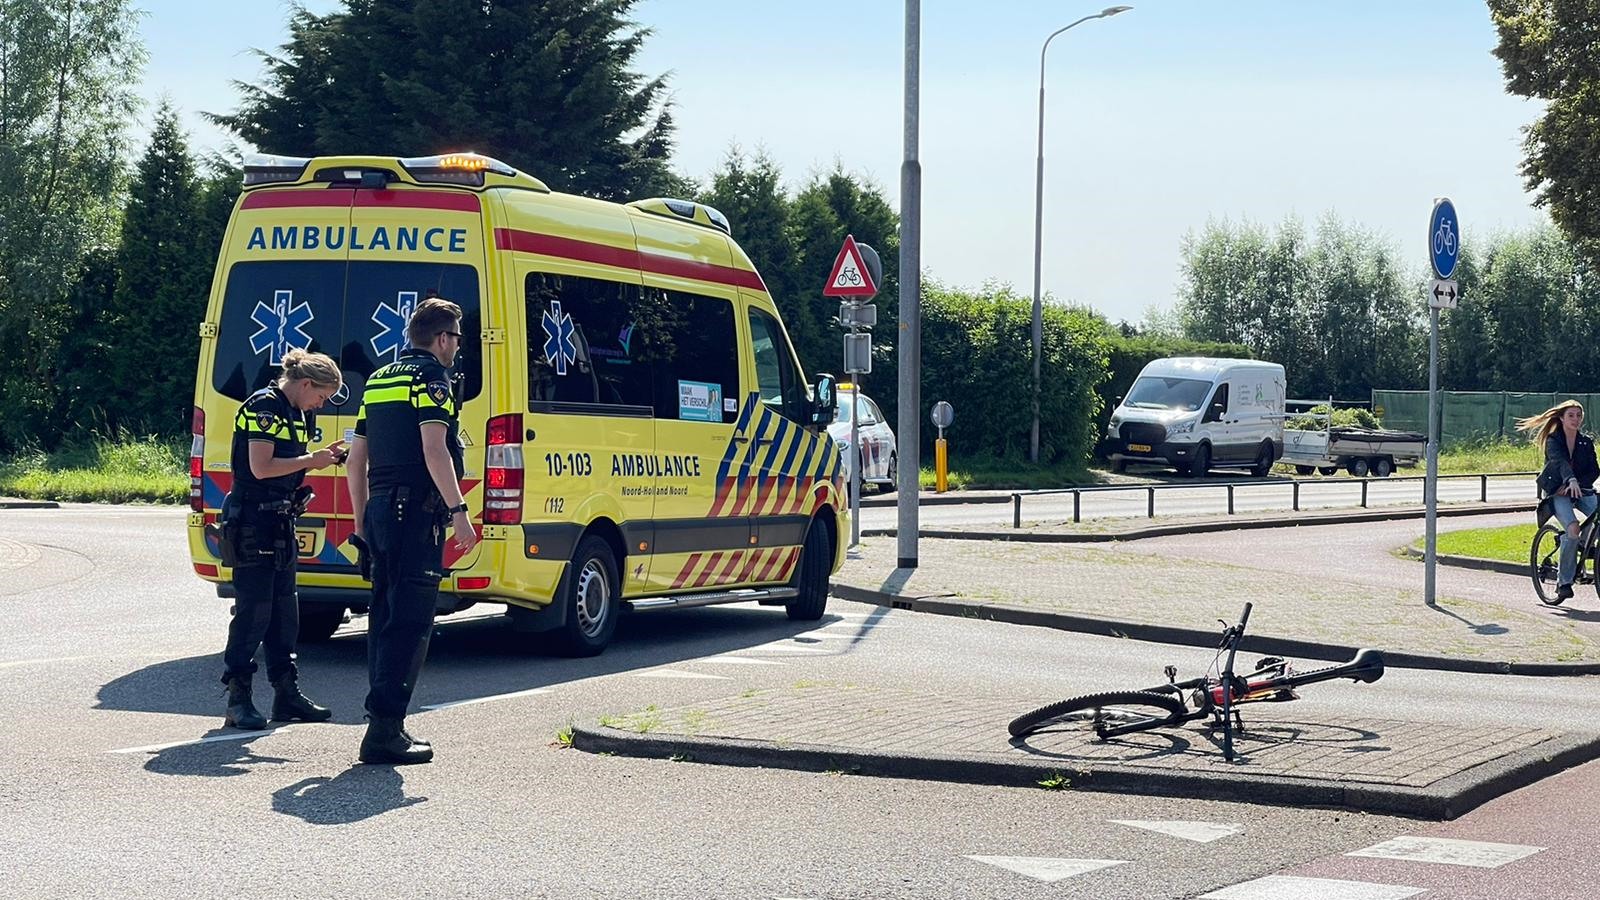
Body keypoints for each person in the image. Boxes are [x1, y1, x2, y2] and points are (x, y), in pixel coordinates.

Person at [345, 297, 478, 764]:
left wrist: (363, 522)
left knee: (383, 615)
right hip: (415, 514)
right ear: (441, 338)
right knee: (411, 620)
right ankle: (385, 730)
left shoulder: (380, 379)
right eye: (457, 338)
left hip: (381, 510)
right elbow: (434, 450)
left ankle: (382, 722)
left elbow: (356, 460)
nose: (458, 348)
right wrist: (459, 509)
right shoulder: (431, 378)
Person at [220, 349, 347, 729]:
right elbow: (261, 467)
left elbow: (292, 460)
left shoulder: (299, 410)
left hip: (281, 519)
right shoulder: (265, 406)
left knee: (285, 613)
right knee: (253, 611)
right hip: (253, 521)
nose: (321, 404)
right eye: (321, 396)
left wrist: (326, 457)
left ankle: (286, 694)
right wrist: (312, 460)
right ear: (306, 383)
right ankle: (238, 698)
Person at [1519, 399, 1599, 602]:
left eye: (1579, 415)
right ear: (1562, 418)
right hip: (1559, 491)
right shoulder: (1553, 440)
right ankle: (1564, 583)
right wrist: (1568, 480)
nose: (1576, 419)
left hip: (1581, 490)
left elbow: (1594, 469)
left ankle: (1584, 544)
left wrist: (1578, 483)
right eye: (1571, 415)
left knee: (1596, 516)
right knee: (1572, 530)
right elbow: (1559, 461)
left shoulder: (1585, 442)